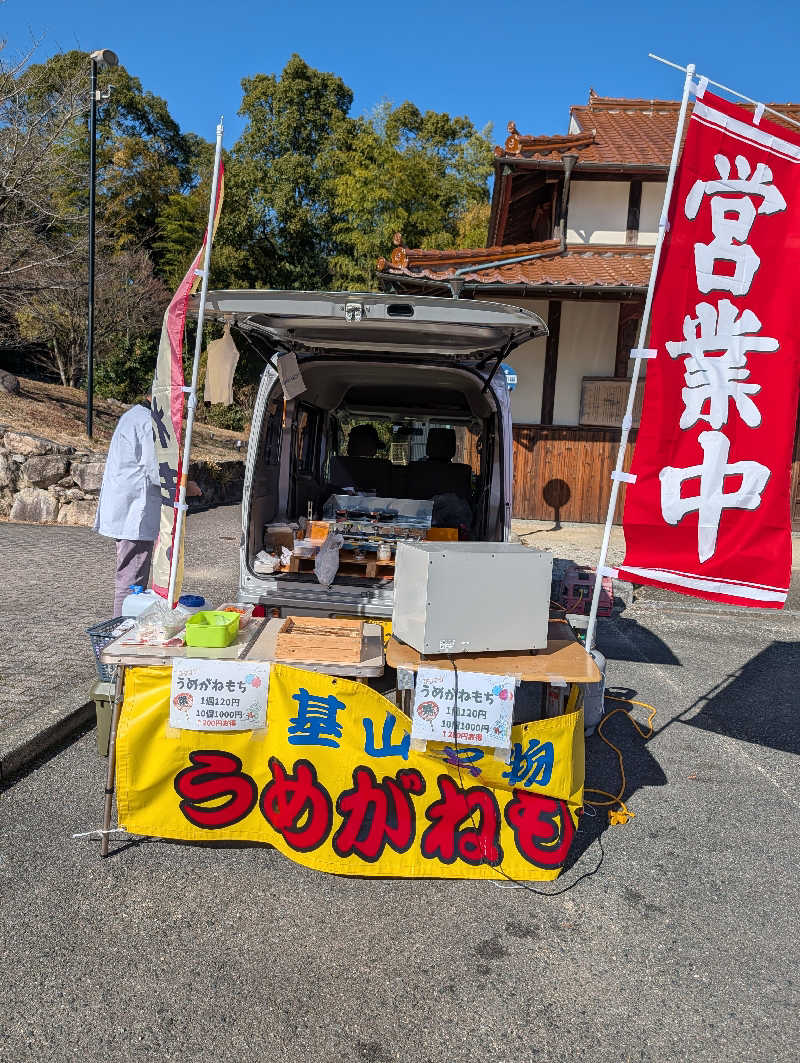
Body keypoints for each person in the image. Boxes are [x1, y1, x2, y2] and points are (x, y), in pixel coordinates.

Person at [94, 399, 201, 615]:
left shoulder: (134, 416)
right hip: (135, 513)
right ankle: (122, 633)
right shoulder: (147, 422)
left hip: (131, 509)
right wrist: (186, 486)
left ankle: (124, 631)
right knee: (132, 578)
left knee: (131, 575)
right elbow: (158, 470)